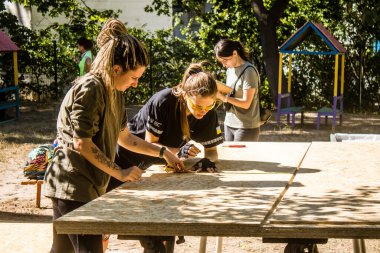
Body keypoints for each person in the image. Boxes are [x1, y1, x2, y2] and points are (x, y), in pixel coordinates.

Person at [43, 18, 184, 253]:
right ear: (116, 69)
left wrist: (163, 152)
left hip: (87, 185)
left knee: (62, 251)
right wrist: (120, 172)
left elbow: (126, 138)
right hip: (72, 185)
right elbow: (82, 143)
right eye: (134, 77)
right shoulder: (91, 88)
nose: (136, 84)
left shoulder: (115, 91)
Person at [107, 62, 224, 192]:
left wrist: (206, 161)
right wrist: (179, 151)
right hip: (125, 156)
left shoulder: (208, 112)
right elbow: (151, 142)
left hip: (152, 163)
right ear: (185, 95)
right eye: (197, 106)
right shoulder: (163, 101)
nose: (203, 111)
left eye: (209, 106)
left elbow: (212, 151)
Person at [214, 39, 262, 142]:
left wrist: (224, 98)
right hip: (229, 123)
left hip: (246, 126)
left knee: (243, 158)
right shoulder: (229, 70)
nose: (223, 64)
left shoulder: (249, 71)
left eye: (225, 60)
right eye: (221, 61)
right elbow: (231, 92)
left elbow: (246, 103)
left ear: (235, 53)